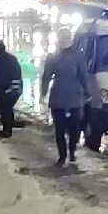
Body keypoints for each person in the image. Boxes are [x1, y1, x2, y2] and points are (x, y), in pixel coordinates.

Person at [39, 38, 93, 168]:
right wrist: (88, 92)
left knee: (60, 129)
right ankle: (72, 151)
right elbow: (84, 76)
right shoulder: (78, 57)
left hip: (58, 98)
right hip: (75, 99)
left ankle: (62, 156)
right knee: (74, 128)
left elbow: (46, 77)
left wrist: (43, 93)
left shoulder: (53, 57)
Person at [0, 39, 25, 139]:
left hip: (6, 89)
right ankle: (8, 128)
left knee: (5, 109)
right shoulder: (12, 58)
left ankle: (7, 131)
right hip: (17, 88)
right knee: (8, 108)